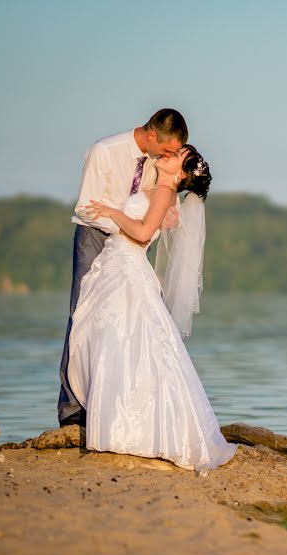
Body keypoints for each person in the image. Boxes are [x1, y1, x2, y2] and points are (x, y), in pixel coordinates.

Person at [67, 145, 237, 471]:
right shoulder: (160, 191)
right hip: (119, 265)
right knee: (123, 346)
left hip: (127, 267)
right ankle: (117, 425)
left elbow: (144, 234)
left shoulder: (163, 191)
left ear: (181, 174)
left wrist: (113, 212)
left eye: (175, 156)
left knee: (122, 344)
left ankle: (121, 429)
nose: (166, 155)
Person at [58, 108, 187, 427]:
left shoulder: (159, 162)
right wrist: (127, 227)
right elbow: (85, 208)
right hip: (95, 237)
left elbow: (162, 211)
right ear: (152, 135)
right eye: (168, 149)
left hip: (132, 248)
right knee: (83, 315)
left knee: (125, 321)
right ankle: (73, 409)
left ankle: (114, 401)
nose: (170, 156)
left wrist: (148, 228)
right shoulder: (104, 151)